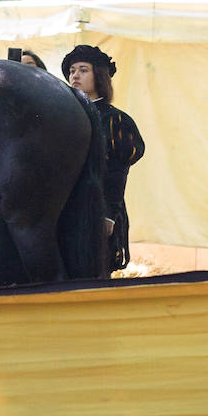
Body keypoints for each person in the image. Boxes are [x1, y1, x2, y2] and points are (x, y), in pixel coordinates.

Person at [63, 44, 145, 272]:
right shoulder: (63, 117)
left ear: (98, 76)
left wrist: (109, 214)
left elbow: (118, 172)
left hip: (96, 209)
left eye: (83, 70)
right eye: (72, 71)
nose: (75, 75)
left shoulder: (116, 121)